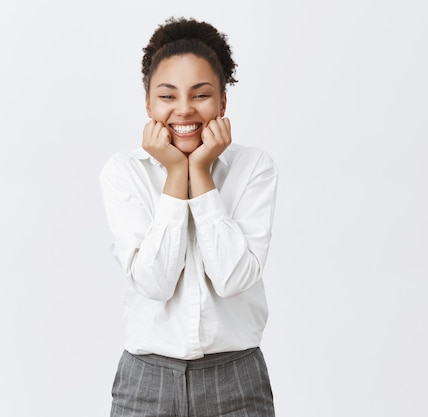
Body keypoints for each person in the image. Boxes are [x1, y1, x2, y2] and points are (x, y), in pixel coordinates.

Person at [99, 16, 278, 416]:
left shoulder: (253, 168)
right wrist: (176, 175)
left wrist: (199, 172)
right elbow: (155, 282)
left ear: (222, 102)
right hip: (146, 381)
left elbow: (233, 278)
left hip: (236, 379)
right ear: (147, 102)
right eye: (167, 96)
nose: (184, 109)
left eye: (200, 95)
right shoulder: (124, 171)